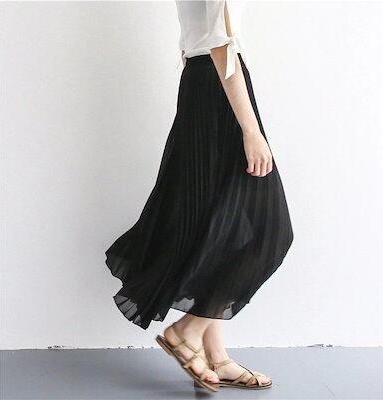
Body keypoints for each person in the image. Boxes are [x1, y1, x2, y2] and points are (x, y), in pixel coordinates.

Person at [105, 0, 294, 392]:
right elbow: (222, 45)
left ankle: (217, 356)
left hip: (202, 82)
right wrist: (251, 131)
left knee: (216, 226)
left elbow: (205, 35)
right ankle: (187, 333)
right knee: (270, 230)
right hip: (220, 85)